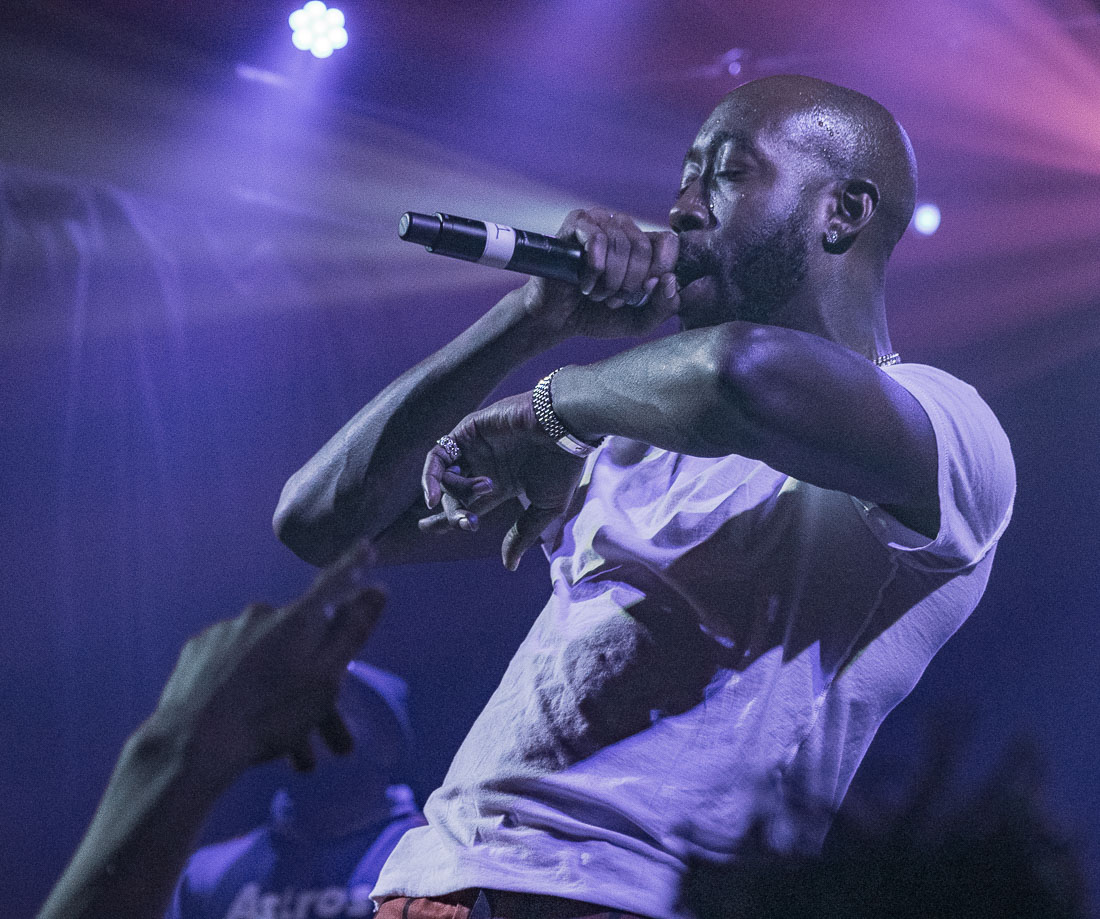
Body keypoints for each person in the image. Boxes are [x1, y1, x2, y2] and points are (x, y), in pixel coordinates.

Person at [273, 75, 1016, 919]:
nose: (685, 208)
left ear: (842, 211)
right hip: (436, 884)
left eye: (729, 174)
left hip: (626, 896)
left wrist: (551, 406)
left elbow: (740, 376)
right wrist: (531, 319)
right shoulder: (625, 427)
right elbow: (322, 522)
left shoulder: (947, 426)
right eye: (684, 176)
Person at [37, 542, 385, 919]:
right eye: (303, 705)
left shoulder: (429, 857)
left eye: (342, 705)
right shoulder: (206, 873)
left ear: (392, 742)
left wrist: (173, 752)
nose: (314, 717)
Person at [166, 662, 424, 919]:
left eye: (330, 708)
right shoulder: (207, 874)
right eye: (293, 709)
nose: (303, 726)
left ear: (387, 744)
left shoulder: (433, 862)